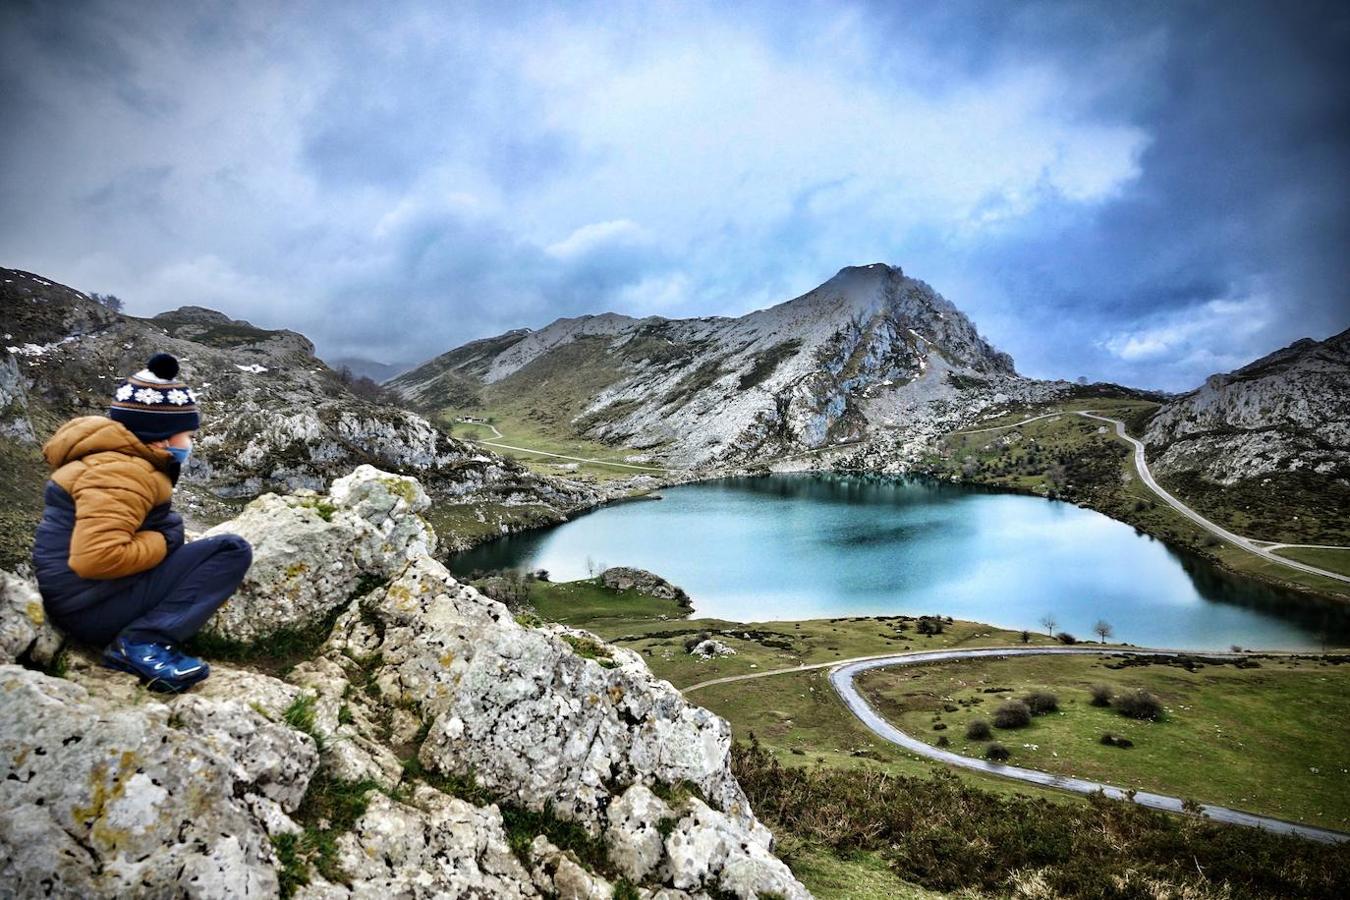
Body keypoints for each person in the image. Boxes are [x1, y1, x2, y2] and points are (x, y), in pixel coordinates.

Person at [31, 352, 253, 692]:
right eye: (188, 435)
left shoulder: (116, 462)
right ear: (162, 436)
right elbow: (96, 557)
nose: (191, 443)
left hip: (85, 599)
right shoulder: (122, 472)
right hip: (89, 609)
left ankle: (139, 636)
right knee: (231, 550)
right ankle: (140, 643)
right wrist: (163, 541)